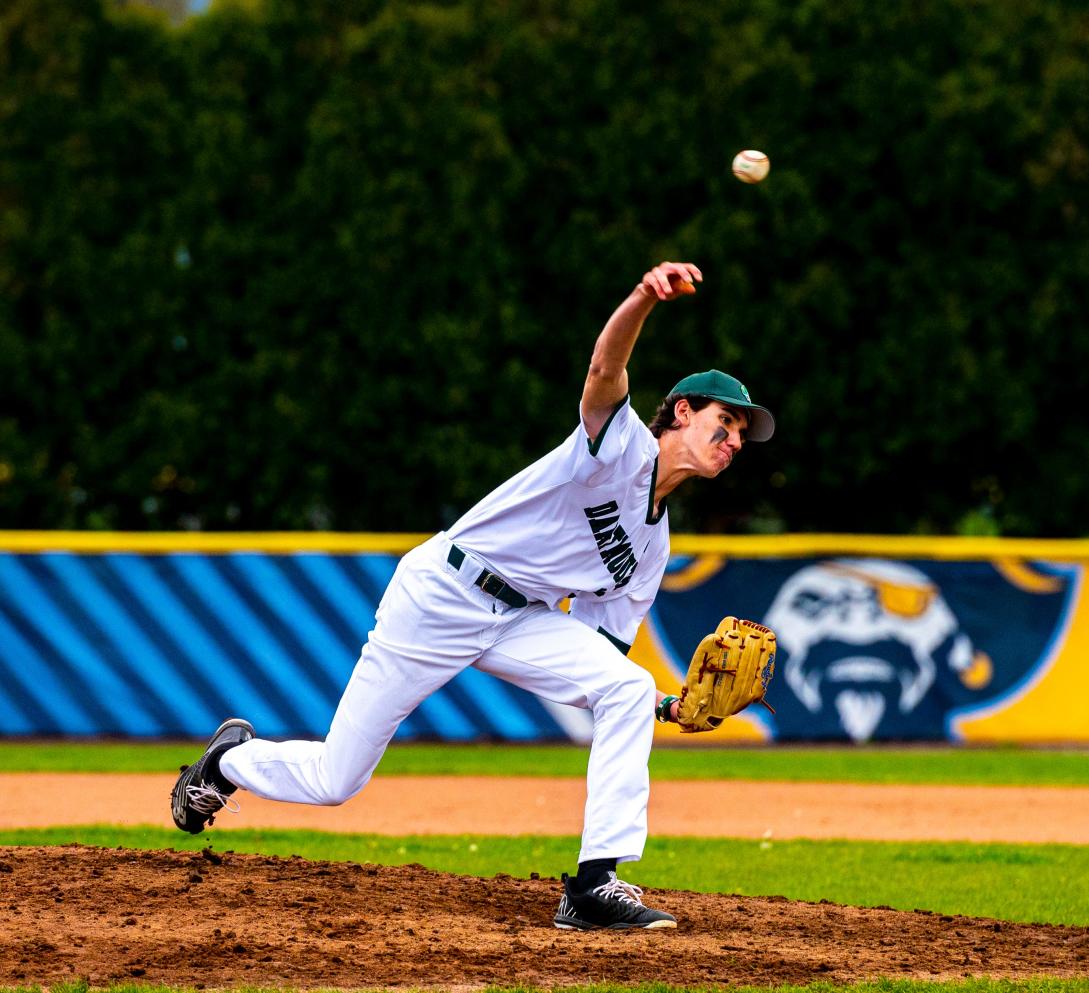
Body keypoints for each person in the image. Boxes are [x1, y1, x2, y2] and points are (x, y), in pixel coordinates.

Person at [170, 260, 775, 930]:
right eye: (727, 420)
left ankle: (593, 885)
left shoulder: (653, 548)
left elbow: (599, 653)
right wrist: (641, 297)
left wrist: (666, 703)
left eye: (744, 433)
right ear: (682, 411)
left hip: (519, 618)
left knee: (626, 686)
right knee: (335, 780)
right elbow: (605, 373)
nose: (734, 439)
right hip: (441, 592)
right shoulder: (618, 446)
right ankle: (229, 760)